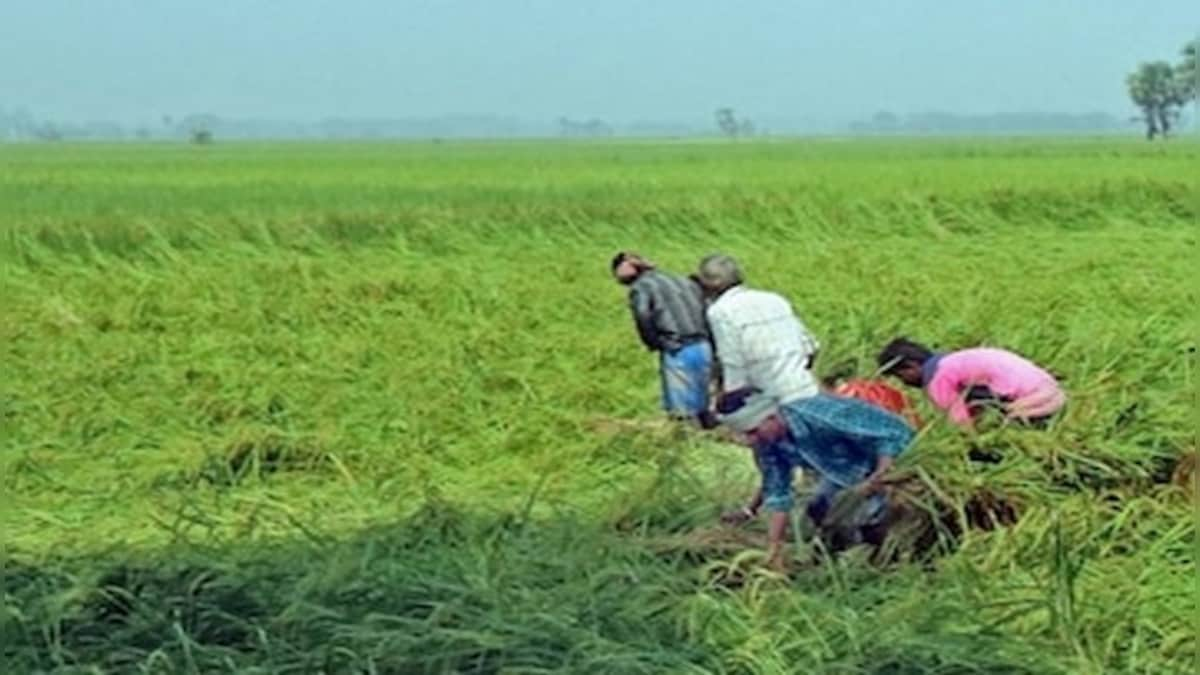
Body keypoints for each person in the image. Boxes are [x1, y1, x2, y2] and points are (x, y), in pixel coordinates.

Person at [717, 387, 915, 572]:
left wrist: (881, 475)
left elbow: (891, 435)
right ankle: (836, 555)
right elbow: (778, 493)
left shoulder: (821, 415)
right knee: (819, 509)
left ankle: (892, 557)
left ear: (772, 417)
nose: (750, 441)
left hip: (895, 458)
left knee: (874, 515)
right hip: (844, 473)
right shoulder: (767, 444)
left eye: (752, 431)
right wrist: (773, 546)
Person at [695, 253, 821, 405]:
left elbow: (732, 361)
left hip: (768, 400)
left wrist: (732, 400)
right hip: (806, 390)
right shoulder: (774, 299)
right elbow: (811, 345)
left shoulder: (721, 311)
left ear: (709, 286)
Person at [611, 251, 715, 425]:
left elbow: (643, 316)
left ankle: (689, 442)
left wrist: (654, 343)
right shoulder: (682, 280)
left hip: (678, 348)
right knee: (703, 401)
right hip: (704, 346)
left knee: (682, 410)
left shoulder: (641, 287)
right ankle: (710, 432)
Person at [877, 337, 1066, 429]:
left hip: (1033, 403)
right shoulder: (956, 360)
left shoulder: (938, 378)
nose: (905, 383)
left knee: (990, 430)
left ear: (911, 367)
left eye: (901, 377)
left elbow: (960, 422)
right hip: (1054, 392)